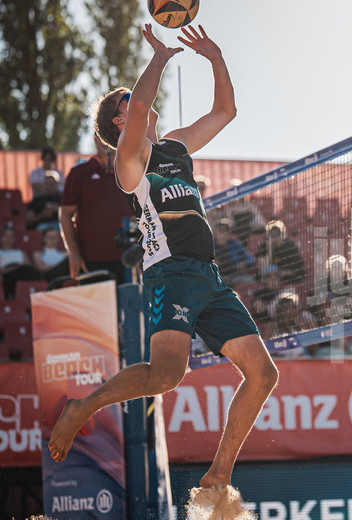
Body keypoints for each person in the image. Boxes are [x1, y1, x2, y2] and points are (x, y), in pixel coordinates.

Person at [47, 24, 278, 492]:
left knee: (262, 374)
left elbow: (226, 111)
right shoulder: (130, 159)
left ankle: (219, 475)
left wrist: (215, 55)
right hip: (168, 273)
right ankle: (81, 408)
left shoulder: (174, 146)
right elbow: (137, 119)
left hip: (208, 276)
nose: (138, 100)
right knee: (166, 376)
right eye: (126, 101)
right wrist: (159, 58)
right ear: (119, 122)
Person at [60, 133, 134, 284]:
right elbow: (66, 214)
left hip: (131, 260)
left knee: (132, 306)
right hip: (91, 262)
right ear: (95, 139)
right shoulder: (79, 173)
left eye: (110, 133)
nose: (106, 142)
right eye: (102, 135)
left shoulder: (133, 170)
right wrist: (73, 253)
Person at [255, 219, 306, 284]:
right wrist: (270, 249)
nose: (275, 237)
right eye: (272, 234)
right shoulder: (263, 246)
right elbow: (263, 271)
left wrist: (281, 273)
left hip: (287, 280)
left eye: (277, 234)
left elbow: (298, 270)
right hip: (269, 282)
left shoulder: (289, 246)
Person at [0, 224, 37, 298]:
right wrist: (12, 268)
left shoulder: (21, 252)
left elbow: (28, 268)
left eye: (11, 236)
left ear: (14, 238)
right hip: (7, 275)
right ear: (1, 237)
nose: (8, 239)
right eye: (6, 236)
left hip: (22, 274)